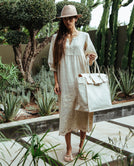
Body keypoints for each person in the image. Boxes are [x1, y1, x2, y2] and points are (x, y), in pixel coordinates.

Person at [48, 5, 98, 162]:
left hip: (81, 80)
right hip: (66, 82)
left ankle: (81, 147)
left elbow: (91, 58)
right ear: (62, 20)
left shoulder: (84, 36)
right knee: (67, 113)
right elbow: (54, 63)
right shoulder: (56, 38)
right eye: (65, 18)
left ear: (76, 18)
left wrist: (90, 58)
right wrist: (56, 82)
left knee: (83, 112)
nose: (68, 21)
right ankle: (69, 148)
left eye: (71, 18)